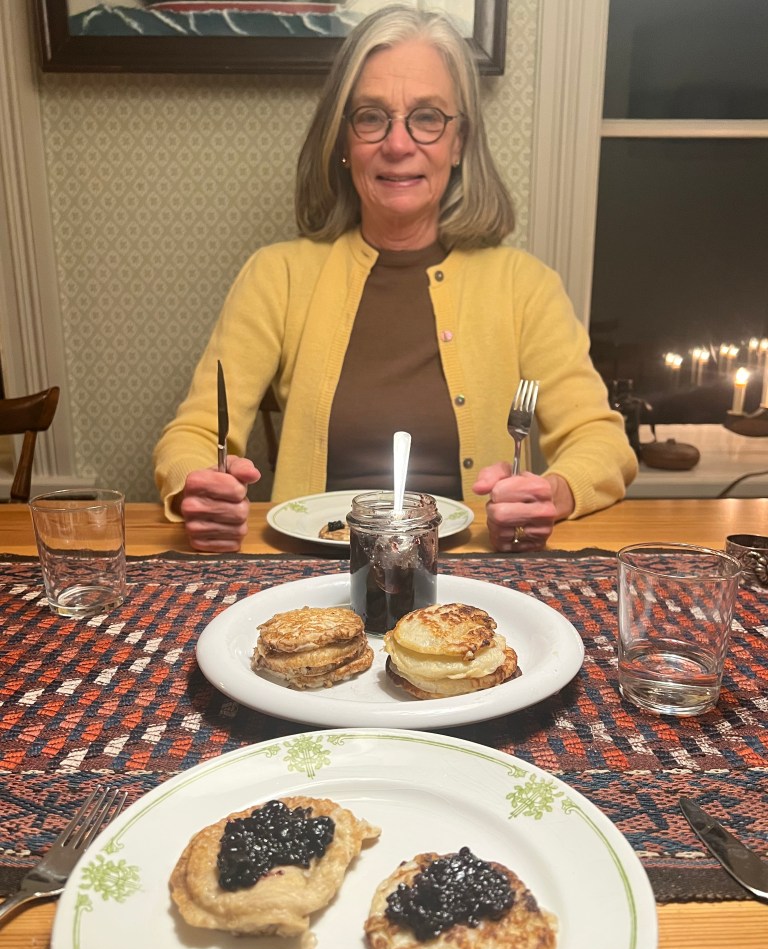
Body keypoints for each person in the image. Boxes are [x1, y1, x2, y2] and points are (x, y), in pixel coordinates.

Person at [153, 4, 637, 553]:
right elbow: (192, 435)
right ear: (342, 142)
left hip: (477, 574)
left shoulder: (525, 285)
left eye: (427, 117)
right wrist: (199, 484)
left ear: (459, 143)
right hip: (312, 573)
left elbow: (602, 442)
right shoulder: (278, 275)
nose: (399, 144)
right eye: (370, 116)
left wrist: (554, 490)